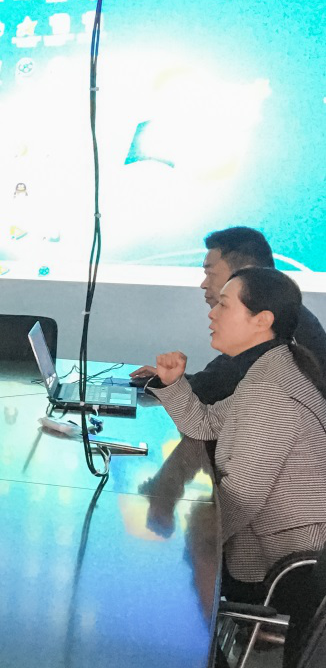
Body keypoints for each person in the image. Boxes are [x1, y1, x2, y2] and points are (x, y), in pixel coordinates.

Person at [150, 267, 326, 602]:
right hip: (282, 554)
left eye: (224, 305)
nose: (212, 313)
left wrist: (175, 544)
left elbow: (241, 499)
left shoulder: (270, 390)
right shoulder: (270, 369)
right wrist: (174, 383)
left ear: (262, 320)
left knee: (156, 578)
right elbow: (204, 423)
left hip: (286, 570)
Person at [134, 227, 326, 403]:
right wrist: (172, 380)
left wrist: (168, 385)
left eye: (210, 274)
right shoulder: (287, 314)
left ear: (246, 274)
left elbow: (206, 394)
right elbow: (217, 383)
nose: (204, 284)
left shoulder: (274, 329)